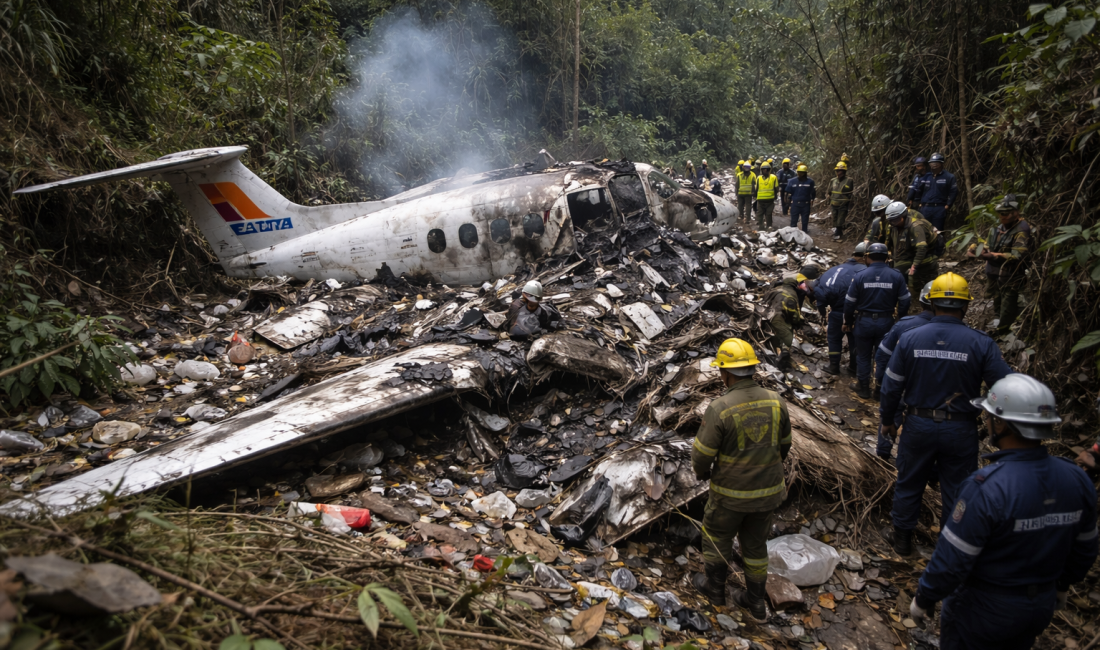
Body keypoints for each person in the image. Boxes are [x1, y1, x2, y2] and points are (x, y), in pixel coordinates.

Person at [909, 374, 1098, 650]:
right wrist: (1062, 585)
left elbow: (953, 560)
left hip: (984, 608)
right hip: (1039, 606)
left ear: (1001, 423)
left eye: (989, 416)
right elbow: (1085, 548)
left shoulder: (986, 487)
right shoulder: (1076, 479)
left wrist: (925, 597)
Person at [880, 272, 1013, 556]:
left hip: (917, 425)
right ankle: (949, 551)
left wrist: (888, 421)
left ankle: (902, 540)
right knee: (956, 490)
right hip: (960, 428)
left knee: (910, 481)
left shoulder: (910, 338)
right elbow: (1005, 388)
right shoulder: (981, 343)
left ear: (931, 301)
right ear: (965, 306)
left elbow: (891, 387)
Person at [692, 338, 791, 622]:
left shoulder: (720, 407)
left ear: (726, 373)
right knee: (756, 547)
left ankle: (715, 594)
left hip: (729, 495)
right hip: (769, 493)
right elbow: (785, 446)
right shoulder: (776, 401)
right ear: (752, 369)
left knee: (717, 537)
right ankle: (756, 604)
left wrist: (702, 474)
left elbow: (702, 456)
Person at [873, 281, 935, 459]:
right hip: (933, 394)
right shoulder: (964, 335)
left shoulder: (904, 325)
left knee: (892, 414)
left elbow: (883, 354)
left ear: (922, 302)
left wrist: (880, 380)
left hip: (901, 384)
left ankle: (883, 454)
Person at [843, 243, 910, 398]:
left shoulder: (860, 276)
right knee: (883, 355)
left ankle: (863, 387)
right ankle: (879, 389)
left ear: (867, 257)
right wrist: (900, 319)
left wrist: (848, 321)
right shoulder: (896, 276)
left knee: (863, 355)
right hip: (886, 322)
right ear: (887, 258)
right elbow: (905, 301)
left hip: (864, 321)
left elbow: (849, 302)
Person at [968, 194, 1031, 335]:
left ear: (1016, 213)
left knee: (1008, 301)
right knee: (996, 297)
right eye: (1001, 214)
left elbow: (1018, 254)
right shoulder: (998, 227)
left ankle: (1005, 330)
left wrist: (993, 255)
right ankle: (998, 321)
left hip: (1011, 273)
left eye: (1006, 214)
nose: (1003, 217)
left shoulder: (1021, 229)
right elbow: (989, 245)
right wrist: (978, 249)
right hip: (994, 272)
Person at [815, 243, 867, 376]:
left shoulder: (834, 270)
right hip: (857, 314)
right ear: (865, 256)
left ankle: (833, 366)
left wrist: (822, 311)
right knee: (854, 340)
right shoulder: (865, 271)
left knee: (833, 338)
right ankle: (853, 368)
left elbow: (820, 291)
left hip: (837, 312)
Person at [884, 201, 940, 308]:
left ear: (903, 217)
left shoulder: (915, 226)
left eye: (895, 220)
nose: (892, 223)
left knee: (916, 279)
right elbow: (890, 241)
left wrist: (914, 266)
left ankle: (917, 304)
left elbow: (921, 247)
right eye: (891, 220)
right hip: (907, 255)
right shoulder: (894, 226)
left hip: (925, 258)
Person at [764, 273, 807, 370]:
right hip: (778, 318)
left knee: (769, 338)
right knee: (786, 337)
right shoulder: (792, 294)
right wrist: (797, 322)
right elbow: (793, 315)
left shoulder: (773, 290)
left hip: (764, 316)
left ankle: (773, 356)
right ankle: (781, 362)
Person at [916, 152, 958, 231]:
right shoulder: (926, 176)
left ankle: (939, 243)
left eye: (936, 163)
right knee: (924, 230)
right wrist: (919, 202)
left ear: (941, 164)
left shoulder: (949, 177)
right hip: (925, 208)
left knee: (938, 231)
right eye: (932, 163)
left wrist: (948, 205)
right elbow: (919, 190)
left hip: (939, 208)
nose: (934, 165)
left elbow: (953, 191)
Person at [829, 161, 855, 241]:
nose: (838, 173)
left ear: (844, 171)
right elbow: (829, 191)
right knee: (835, 219)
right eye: (837, 171)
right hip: (834, 203)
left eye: (839, 171)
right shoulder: (833, 180)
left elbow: (852, 193)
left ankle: (837, 234)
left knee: (840, 220)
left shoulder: (849, 181)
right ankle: (839, 233)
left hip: (843, 204)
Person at [785, 164, 815, 232]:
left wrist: (812, 199)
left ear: (805, 173)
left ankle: (804, 233)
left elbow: (813, 192)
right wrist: (787, 202)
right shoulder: (792, 181)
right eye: (798, 172)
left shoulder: (810, 182)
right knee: (793, 221)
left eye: (801, 172)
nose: (799, 174)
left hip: (805, 204)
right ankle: (793, 234)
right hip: (795, 204)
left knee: (805, 221)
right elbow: (788, 192)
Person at [754, 162, 780, 230]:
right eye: (764, 169)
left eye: (767, 169)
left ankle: (769, 227)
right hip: (761, 200)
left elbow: (776, 188)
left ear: (769, 170)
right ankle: (762, 227)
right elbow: (756, 189)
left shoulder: (773, 177)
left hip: (769, 200)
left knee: (768, 214)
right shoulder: (758, 178)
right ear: (761, 170)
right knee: (760, 214)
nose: (765, 171)